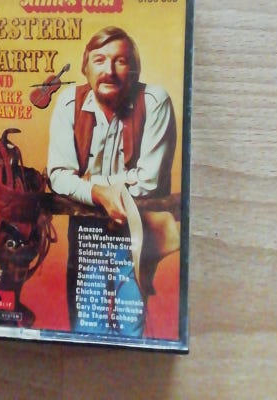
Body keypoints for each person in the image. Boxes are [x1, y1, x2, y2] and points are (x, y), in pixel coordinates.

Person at [47, 26, 177, 337]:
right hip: (87, 236)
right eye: (99, 60)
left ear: (134, 69)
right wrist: (98, 193)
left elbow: (148, 181)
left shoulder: (154, 101)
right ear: (85, 67)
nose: (109, 71)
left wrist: (90, 184)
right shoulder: (68, 103)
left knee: (131, 328)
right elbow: (58, 176)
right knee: (86, 328)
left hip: (136, 232)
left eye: (120, 61)